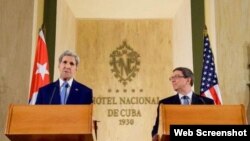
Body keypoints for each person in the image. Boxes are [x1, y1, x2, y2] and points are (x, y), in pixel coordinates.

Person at [151, 67, 214, 141]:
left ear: (188, 80)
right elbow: (156, 129)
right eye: (171, 78)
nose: (173, 80)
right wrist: (156, 137)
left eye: (176, 77)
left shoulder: (206, 102)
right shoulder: (165, 103)